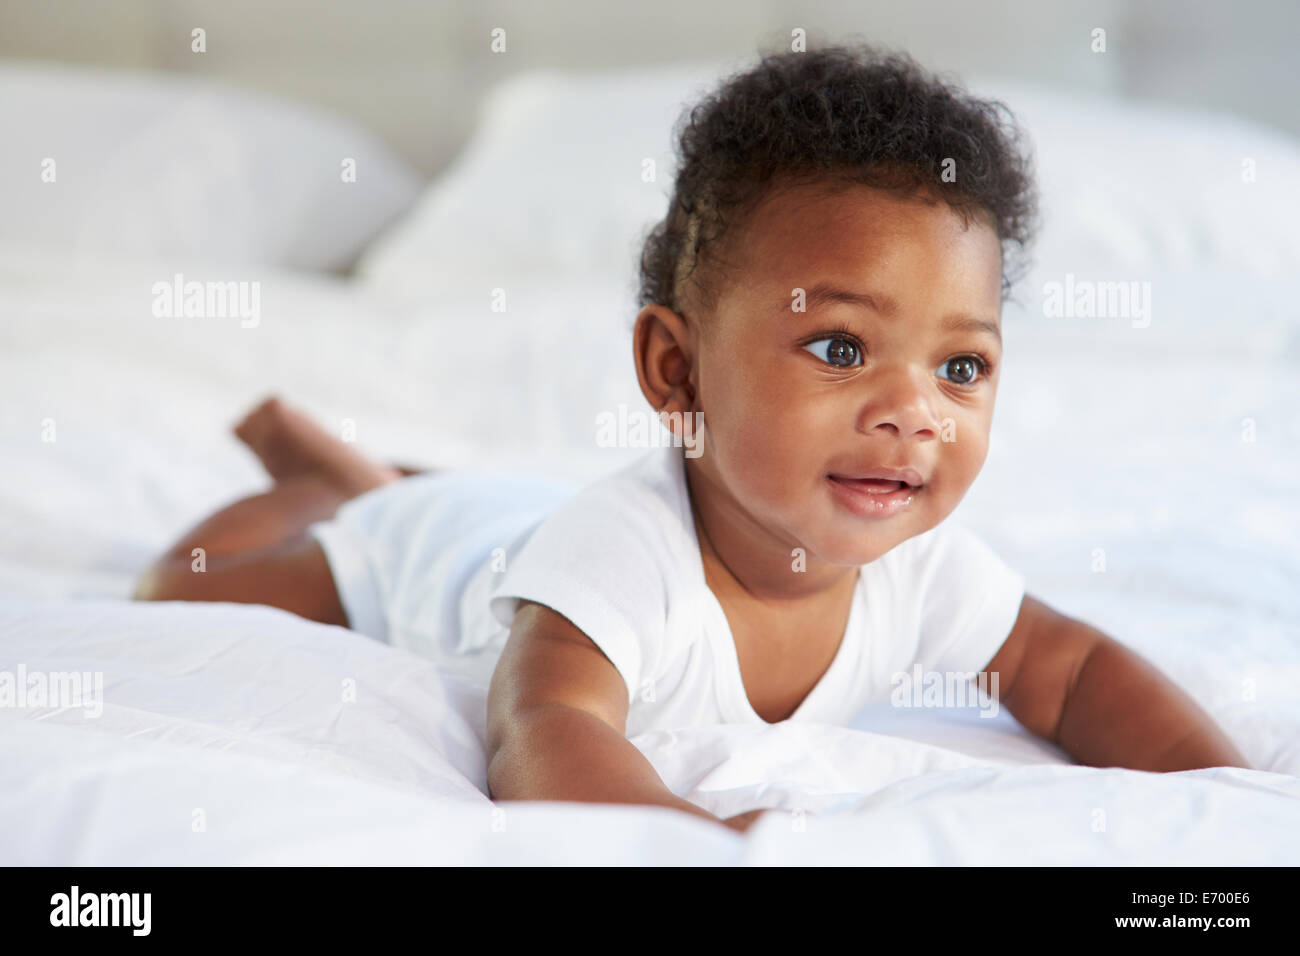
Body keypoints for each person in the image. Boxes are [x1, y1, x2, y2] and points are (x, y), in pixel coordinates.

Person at [135, 43, 1250, 835]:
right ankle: (322, 488)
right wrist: (687, 836)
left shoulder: (918, 566)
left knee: (475, 502)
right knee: (174, 599)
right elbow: (543, 725)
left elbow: (1071, 669)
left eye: (961, 366)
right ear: (677, 371)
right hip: (432, 549)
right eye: (839, 347)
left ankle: (365, 470)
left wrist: (1224, 789)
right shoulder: (618, 560)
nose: (914, 409)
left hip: (515, 512)